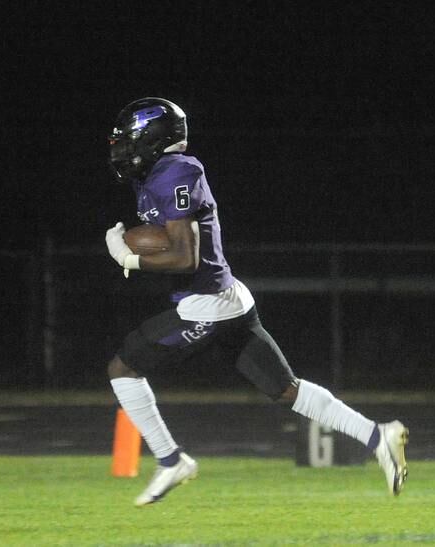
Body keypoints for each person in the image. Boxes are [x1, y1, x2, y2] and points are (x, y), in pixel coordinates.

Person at [104, 97, 408, 506]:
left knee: (123, 367)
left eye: (128, 139)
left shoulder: (177, 170)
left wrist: (130, 257)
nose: (121, 147)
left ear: (153, 137)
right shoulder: (158, 174)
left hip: (207, 303)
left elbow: (185, 256)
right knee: (286, 390)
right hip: (227, 297)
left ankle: (171, 459)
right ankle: (378, 435)